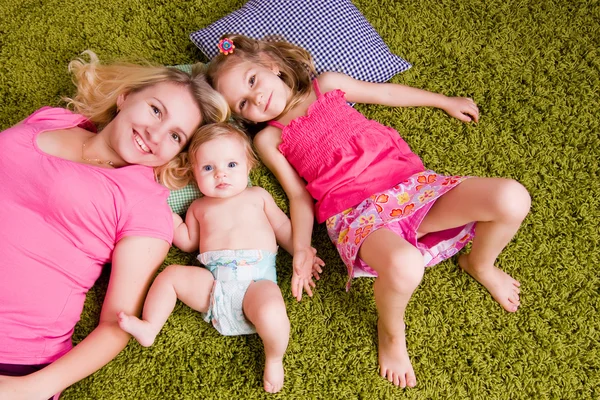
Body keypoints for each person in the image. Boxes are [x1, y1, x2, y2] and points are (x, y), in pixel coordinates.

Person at [204, 34, 532, 389]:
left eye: (253, 82)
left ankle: (480, 264)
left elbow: (386, 94)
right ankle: (391, 332)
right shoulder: (268, 139)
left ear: (271, 64)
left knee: (512, 197)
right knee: (406, 265)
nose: (257, 98)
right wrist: (301, 248)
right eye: (243, 104)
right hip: (357, 215)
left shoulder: (326, 85)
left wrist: (443, 101)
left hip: (411, 188)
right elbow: (298, 197)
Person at [0, 51, 230, 400]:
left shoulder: (146, 206)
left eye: (175, 136)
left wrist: (31, 388)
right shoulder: (53, 119)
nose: (155, 133)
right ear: (125, 96)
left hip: (12, 355)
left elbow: (115, 325)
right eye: (155, 110)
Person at [117, 122, 323, 393]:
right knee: (171, 276)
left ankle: (274, 357)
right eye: (208, 168)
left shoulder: (257, 197)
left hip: (255, 285)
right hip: (213, 288)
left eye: (231, 165)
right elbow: (189, 241)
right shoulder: (198, 207)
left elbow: (284, 228)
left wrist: (301, 250)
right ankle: (150, 327)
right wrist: (166, 212)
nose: (220, 175)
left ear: (249, 166)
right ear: (194, 174)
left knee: (272, 309)